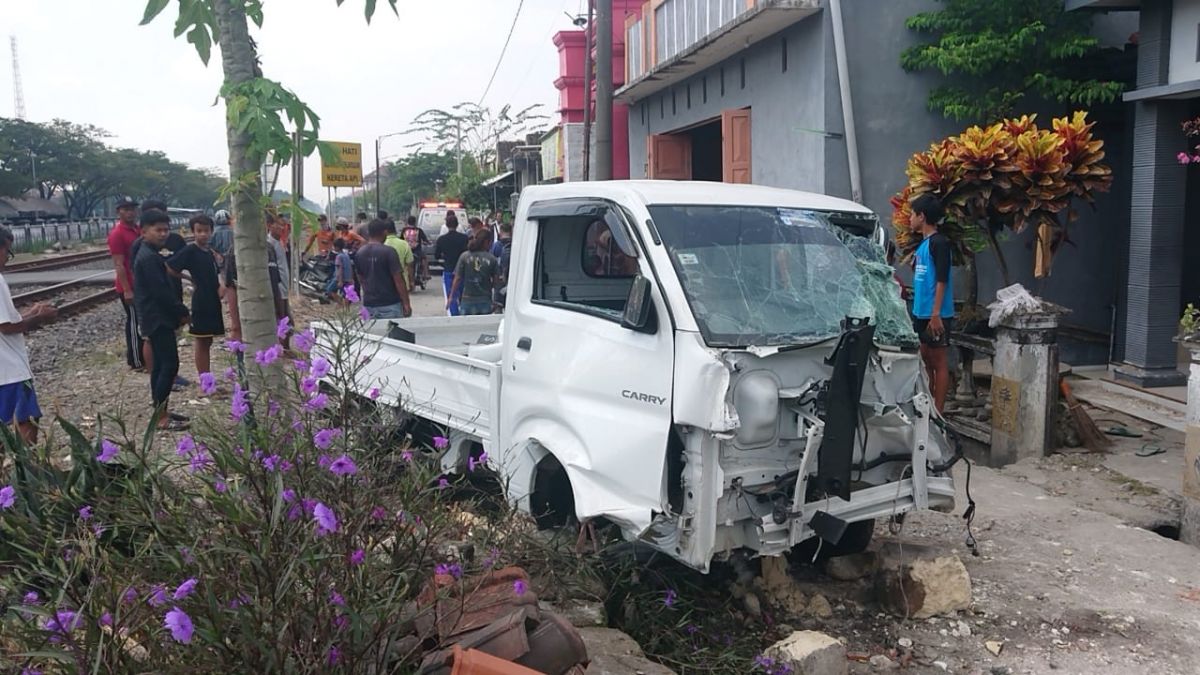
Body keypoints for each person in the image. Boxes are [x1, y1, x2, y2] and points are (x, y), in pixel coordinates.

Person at [133, 210, 190, 431]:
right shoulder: (148, 258)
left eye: (166, 229)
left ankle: (161, 410)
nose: (163, 234)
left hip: (154, 316)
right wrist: (181, 311)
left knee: (159, 366)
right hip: (158, 318)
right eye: (158, 230)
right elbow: (161, 292)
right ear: (144, 231)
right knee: (169, 364)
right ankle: (161, 418)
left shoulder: (149, 253)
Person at [0, 227, 57, 444]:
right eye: (7, 251)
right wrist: (40, 317)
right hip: (9, 368)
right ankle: (27, 472)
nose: (7, 258)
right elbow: (6, 327)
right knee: (26, 419)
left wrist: (28, 313)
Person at [908, 193, 954, 413]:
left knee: (939, 361)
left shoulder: (940, 243)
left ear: (922, 216)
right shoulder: (923, 245)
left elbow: (942, 279)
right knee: (925, 358)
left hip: (936, 313)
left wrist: (936, 314)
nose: (910, 219)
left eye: (912, 214)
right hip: (921, 311)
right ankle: (927, 406)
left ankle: (939, 410)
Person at [168, 215, 224, 382]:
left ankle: (208, 378)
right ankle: (204, 381)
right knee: (201, 340)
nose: (203, 235)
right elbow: (170, 267)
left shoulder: (210, 252)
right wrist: (189, 279)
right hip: (201, 300)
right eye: (199, 231)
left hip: (213, 299)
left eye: (206, 231)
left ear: (211, 231)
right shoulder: (190, 250)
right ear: (193, 232)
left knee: (208, 341)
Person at [108, 198, 143, 370]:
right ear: (119, 212)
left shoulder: (137, 230)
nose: (130, 212)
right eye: (126, 209)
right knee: (134, 321)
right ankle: (135, 359)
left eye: (132, 208)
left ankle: (142, 356)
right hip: (128, 285)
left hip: (140, 284)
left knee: (142, 320)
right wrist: (127, 289)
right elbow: (119, 264)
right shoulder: (117, 233)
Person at [354, 219, 413, 320]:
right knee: (392, 335)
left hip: (369, 305)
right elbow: (398, 280)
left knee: (372, 335)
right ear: (385, 232)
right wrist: (406, 304)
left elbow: (361, 279)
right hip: (390, 304)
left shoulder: (360, 253)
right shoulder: (389, 252)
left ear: (369, 233)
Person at [450, 230, 500, 316]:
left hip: (467, 299)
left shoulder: (464, 256)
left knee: (468, 327)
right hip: (485, 299)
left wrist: (451, 296)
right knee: (484, 327)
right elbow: (496, 282)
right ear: (486, 242)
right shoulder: (492, 259)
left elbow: (457, 278)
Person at [434, 212, 470, 316]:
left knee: (451, 293)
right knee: (463, 292)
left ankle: (454, 315)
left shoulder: (441, 240)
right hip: (463, 270)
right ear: (457, 224)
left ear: (446, 225)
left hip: (449, 270)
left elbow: (437, 255)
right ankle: (464, 311)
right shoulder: (464, 238)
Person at [383, 219, 415, 292]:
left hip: (384, 285)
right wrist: (411, 281)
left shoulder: (382, 244)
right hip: (402, 283)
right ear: (395, 229)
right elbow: (410, 265)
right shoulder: (404, 244)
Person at [402, 215, 431, 290]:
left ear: (407, 222)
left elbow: (401, 239)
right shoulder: (419, 230)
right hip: (417, 251)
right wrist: (428, 242)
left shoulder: (404, 230)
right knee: (424, 258)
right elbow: (425, 240)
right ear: (415, 222)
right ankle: (426, 273)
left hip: (406, 250)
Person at [494, 222, 514, 310]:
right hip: (513, 279)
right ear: (511, 231)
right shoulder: (515, 244)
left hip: (500, 279)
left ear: (501, 231)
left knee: (498, 305)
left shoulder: (497, 245)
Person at [329, 238, 354, 304]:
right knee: (347, 294)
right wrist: (351, 278)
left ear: (337, 247)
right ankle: (346, 308)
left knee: (330, 290)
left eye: (334, 246)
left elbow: (340, 268)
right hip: (348, 278)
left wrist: (340, 281)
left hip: (340, 278)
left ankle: (341, 303)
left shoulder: (339, 257)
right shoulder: (346, 255)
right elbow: (350, 267)